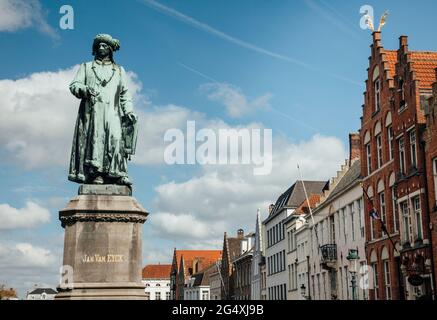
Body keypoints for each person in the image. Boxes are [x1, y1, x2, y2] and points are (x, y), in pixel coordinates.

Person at [68, 34, 137, 186]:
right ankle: (97, 173)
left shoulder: (119, 71)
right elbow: (74, 85)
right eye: (98, 45)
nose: (101, 48)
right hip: (93, 111)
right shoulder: (86, 67)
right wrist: (84, 89)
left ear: (111, 49)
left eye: (104, 45)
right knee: (96, 141)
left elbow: (125, 94)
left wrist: (129, 111)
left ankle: (117, 173)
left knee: (116, 139)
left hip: (113, 111)